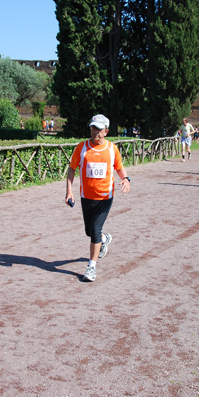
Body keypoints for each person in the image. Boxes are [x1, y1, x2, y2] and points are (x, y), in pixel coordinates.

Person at [65, 114, 131, 282]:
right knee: (89, 231)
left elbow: (119, 168)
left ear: (106, 131)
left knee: (94, 230)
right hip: (86, 197)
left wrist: (125, 179)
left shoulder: (111, 149)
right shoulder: (82, 148)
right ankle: (104, 239)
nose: (95, 132)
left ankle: (91, 267)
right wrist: (69, 191)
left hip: (105, 198)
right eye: (93, 128)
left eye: (99, 129)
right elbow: (72, 169)